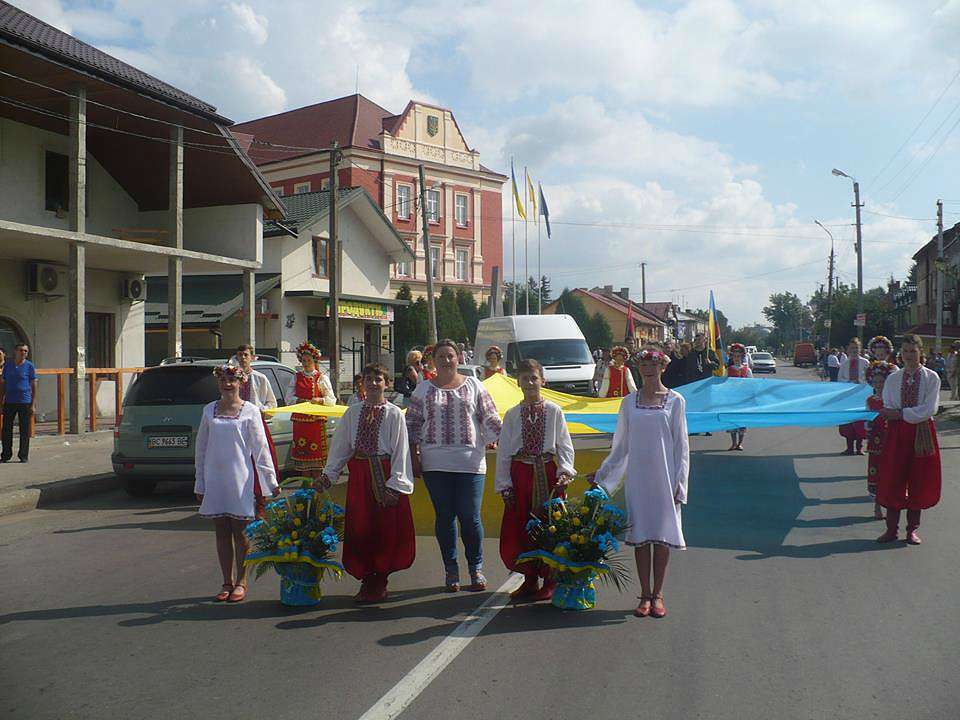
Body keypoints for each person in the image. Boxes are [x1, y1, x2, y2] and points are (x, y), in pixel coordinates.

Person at [590, 348, 689, 619]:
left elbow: (682, 446)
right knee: (642, 537)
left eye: (653, 364)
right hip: (639, 479)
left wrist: (681, 483)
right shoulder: (629, 402)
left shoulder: (675, 401)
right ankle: (644, 594)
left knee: (663, 536)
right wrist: (603, 475)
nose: (648, 369)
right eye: (644, 364)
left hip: (665, 478)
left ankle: (658, 594)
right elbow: (620, 446)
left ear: (663, 367)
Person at [406, 339, 502, 592]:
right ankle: (451, 569)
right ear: (433, 361)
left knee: (469, 516)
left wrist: (503, 441)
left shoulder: (474, 385)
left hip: (470, 461)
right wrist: (414, 458)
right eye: (441, 356)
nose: (447, 360)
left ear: (459, 358)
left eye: (451, 356)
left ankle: (476, 567)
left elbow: (489, 416)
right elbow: (412, 426)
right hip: (435, 462)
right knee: (445, 516)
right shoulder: (422, 389)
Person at [319, 363, 415, 603]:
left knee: (383, 528)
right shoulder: (352, 412)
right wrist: (329, 475)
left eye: (378, 379)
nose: (373, 383)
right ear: (362, 383)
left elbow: (401, 451)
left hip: (384, 474)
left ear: (387, 383)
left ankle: (380, 579)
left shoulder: (394, 413)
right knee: (360, 527)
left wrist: (396, 485)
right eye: (369, 379)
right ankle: (366, 578)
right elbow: (341, 447)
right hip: (360, 476)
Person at [194, 364, 279, 603]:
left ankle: (241, 581)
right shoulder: (209, 410)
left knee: (241, 532)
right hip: (215, 479)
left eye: (232, 380)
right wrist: (200, 483)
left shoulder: (250, 411)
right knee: (221, 531)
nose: (227, 384)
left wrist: (269, 481)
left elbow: (260, 449)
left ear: (241, 383)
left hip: (240, 479)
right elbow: (201, 449)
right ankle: (226, 581)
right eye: (223, 380)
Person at [496, 359, 576, 602]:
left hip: (548, 474)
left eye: (534, 378)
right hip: (521, 475)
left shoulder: (553, 411)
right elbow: (504, 452)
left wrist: (565, 471)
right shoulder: (511, 415)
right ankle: (529, 580)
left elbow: (564, 444)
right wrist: (504, 484)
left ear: (543, 380)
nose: (529, 383)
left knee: (551, 525)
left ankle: (550, 580)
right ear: (518, 382)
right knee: (522, 527)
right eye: (524, 378)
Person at [875, 335, 942, 545]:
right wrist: (898, 414)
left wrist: (901, 413)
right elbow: (888, 403)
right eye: (905, 351)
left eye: (913, 351)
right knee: (893, 478)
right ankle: (891, 529)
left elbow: (929, 409)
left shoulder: (932, 377)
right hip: (897, 432)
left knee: (919, 479)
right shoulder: (894, 378)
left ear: (920, 352)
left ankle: (911, 530)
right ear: (900, 353)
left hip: (921, 432)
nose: (909, 355)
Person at [290, 342, 336, 478]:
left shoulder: (321, 378)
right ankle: (305, 491)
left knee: (316, 462)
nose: (305, 363)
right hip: (300, 422)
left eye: (308, 360)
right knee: (303, 461)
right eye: (303, 360)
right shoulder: (296, 377)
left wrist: (320, 400)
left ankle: (317, 491)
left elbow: (331, 399)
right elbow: (289, 397)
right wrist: (300, 401)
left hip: (315, 423)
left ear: (314, 361)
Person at [865, 361, 897, 521]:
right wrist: (868, 428)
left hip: (890, 438)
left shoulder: (892, 400)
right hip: (875, 442)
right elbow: (867, 419)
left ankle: (890, 504)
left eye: (882, 382)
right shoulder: (870, 400)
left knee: (890, 472)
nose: (879, 385)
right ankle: (877, 506)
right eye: (876, 382)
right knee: (875, 472)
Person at [1, 343, 37, 464]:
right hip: (10, 401)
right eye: (21, 350)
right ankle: (6, 454)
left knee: (24, 430)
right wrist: (1, 400)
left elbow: (34, 385)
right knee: (6, 429)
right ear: (15, 351)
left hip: (24, 401)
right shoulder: (8, 366)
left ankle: (23, 455)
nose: (23, 353)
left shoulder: (29, 366)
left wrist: (33, 404)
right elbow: (3, 384)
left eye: (25, 351)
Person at [837, 337, 870, 455]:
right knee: (848, 423)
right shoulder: (844, 364)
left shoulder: (865, 363)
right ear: (848, 350)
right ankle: (849, 447)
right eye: (852, 348)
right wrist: (849, 383)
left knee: (860, 422)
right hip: (848, 397)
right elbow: (839, 379)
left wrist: (859, 382)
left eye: (856, 348)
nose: (854, 350)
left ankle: (859, 447)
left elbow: (870, 378)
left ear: (860, 349)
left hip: (861, 397)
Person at [725, 343, 752, 451]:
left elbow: (752, 384)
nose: (736, 358)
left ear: (742, 357)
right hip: (732, 399)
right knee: (732, 421)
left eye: (738, 356)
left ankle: (739, 443)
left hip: (743, 399)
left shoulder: (747, 370)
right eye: (734, 356)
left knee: (742, 421)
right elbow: (724, 383)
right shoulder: (729, 369)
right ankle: (733, 443)